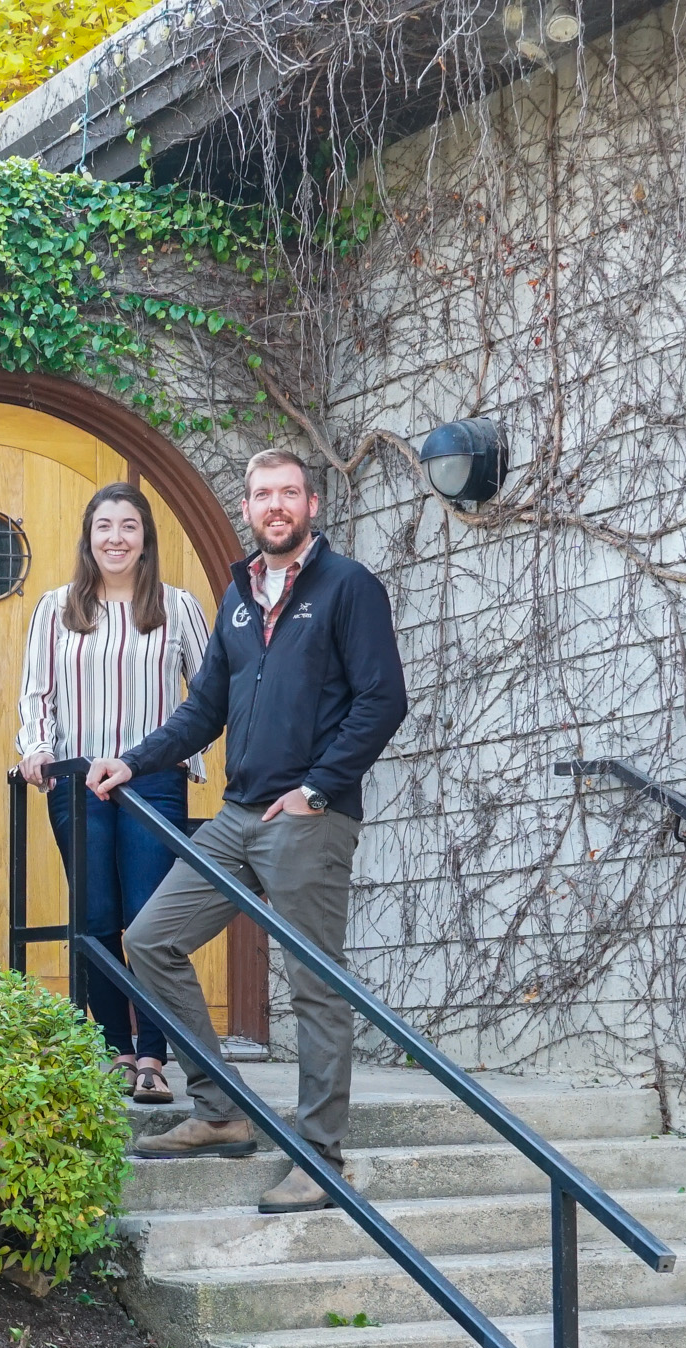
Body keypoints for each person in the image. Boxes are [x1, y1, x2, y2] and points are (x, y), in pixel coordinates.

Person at [87, 449, 407, 1214]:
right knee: (152, 937)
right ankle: (220, 1108)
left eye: (288, 493)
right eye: (263, 493)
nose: (275, 505)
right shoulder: (236, 599)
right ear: (248, 504)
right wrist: (133, 760)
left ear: (313, 503)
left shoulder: (347, 587)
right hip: (235, 815)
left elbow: (382, 699)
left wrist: (318, 788)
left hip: (308, 818)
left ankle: (321, 1156)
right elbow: (204, 711)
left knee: (314, 982)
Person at [18, 482, 211, 1103]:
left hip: (151, 781)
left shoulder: (178, 608)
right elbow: (36, 693)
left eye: (129, 526)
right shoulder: (55, 607)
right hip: (75, 782)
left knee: (149, 919)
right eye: (105, 526)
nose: (116, 538)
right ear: (88, 537)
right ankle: (115, 1051)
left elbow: (209, 695)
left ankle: (155, 1056)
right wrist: (35, 748)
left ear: (146, 539)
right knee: (95, 919)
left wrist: (189, 758)